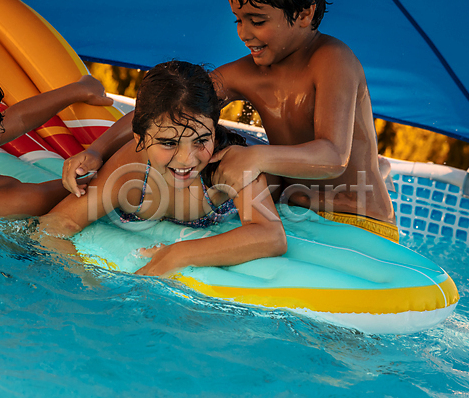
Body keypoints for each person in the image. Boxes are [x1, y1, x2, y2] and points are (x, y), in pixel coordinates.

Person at [61, 0, 398, 243]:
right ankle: (380, 168)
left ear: (305, 12)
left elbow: (333, 157)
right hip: (291, 213)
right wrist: (98, 149)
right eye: (238, 20)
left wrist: (256, 156)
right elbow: (167, 110)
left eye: (257, 19)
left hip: (356, 219)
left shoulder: (333, 61)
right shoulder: (248, 72)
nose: (243, 33)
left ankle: (380, 171)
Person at [40, 60, 286, 277]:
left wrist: (178, 254)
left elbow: (271, 236)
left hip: (268, 162)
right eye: (169, 143)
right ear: (139, 141)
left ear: (213, 129)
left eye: (201, 140)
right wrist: (87, 281)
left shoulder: (227, 162)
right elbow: (58, 222)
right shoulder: (133, 166)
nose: (186, 159)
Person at [0, 65, 113, 216]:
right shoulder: (12, 201)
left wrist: (79, 90)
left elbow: (18, 119)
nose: (3, 127)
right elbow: (94, 185)